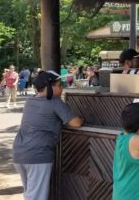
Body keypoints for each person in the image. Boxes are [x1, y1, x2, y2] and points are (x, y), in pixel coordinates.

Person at [12, 70, 83, 200]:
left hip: (19, 153)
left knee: (29, 193)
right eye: (59, 85)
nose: (61, 88)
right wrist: (82, 118)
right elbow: (76, 123)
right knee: (36, 197)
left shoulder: (30, 101)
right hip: (38, 155)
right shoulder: (55, 102)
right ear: (51, 86)